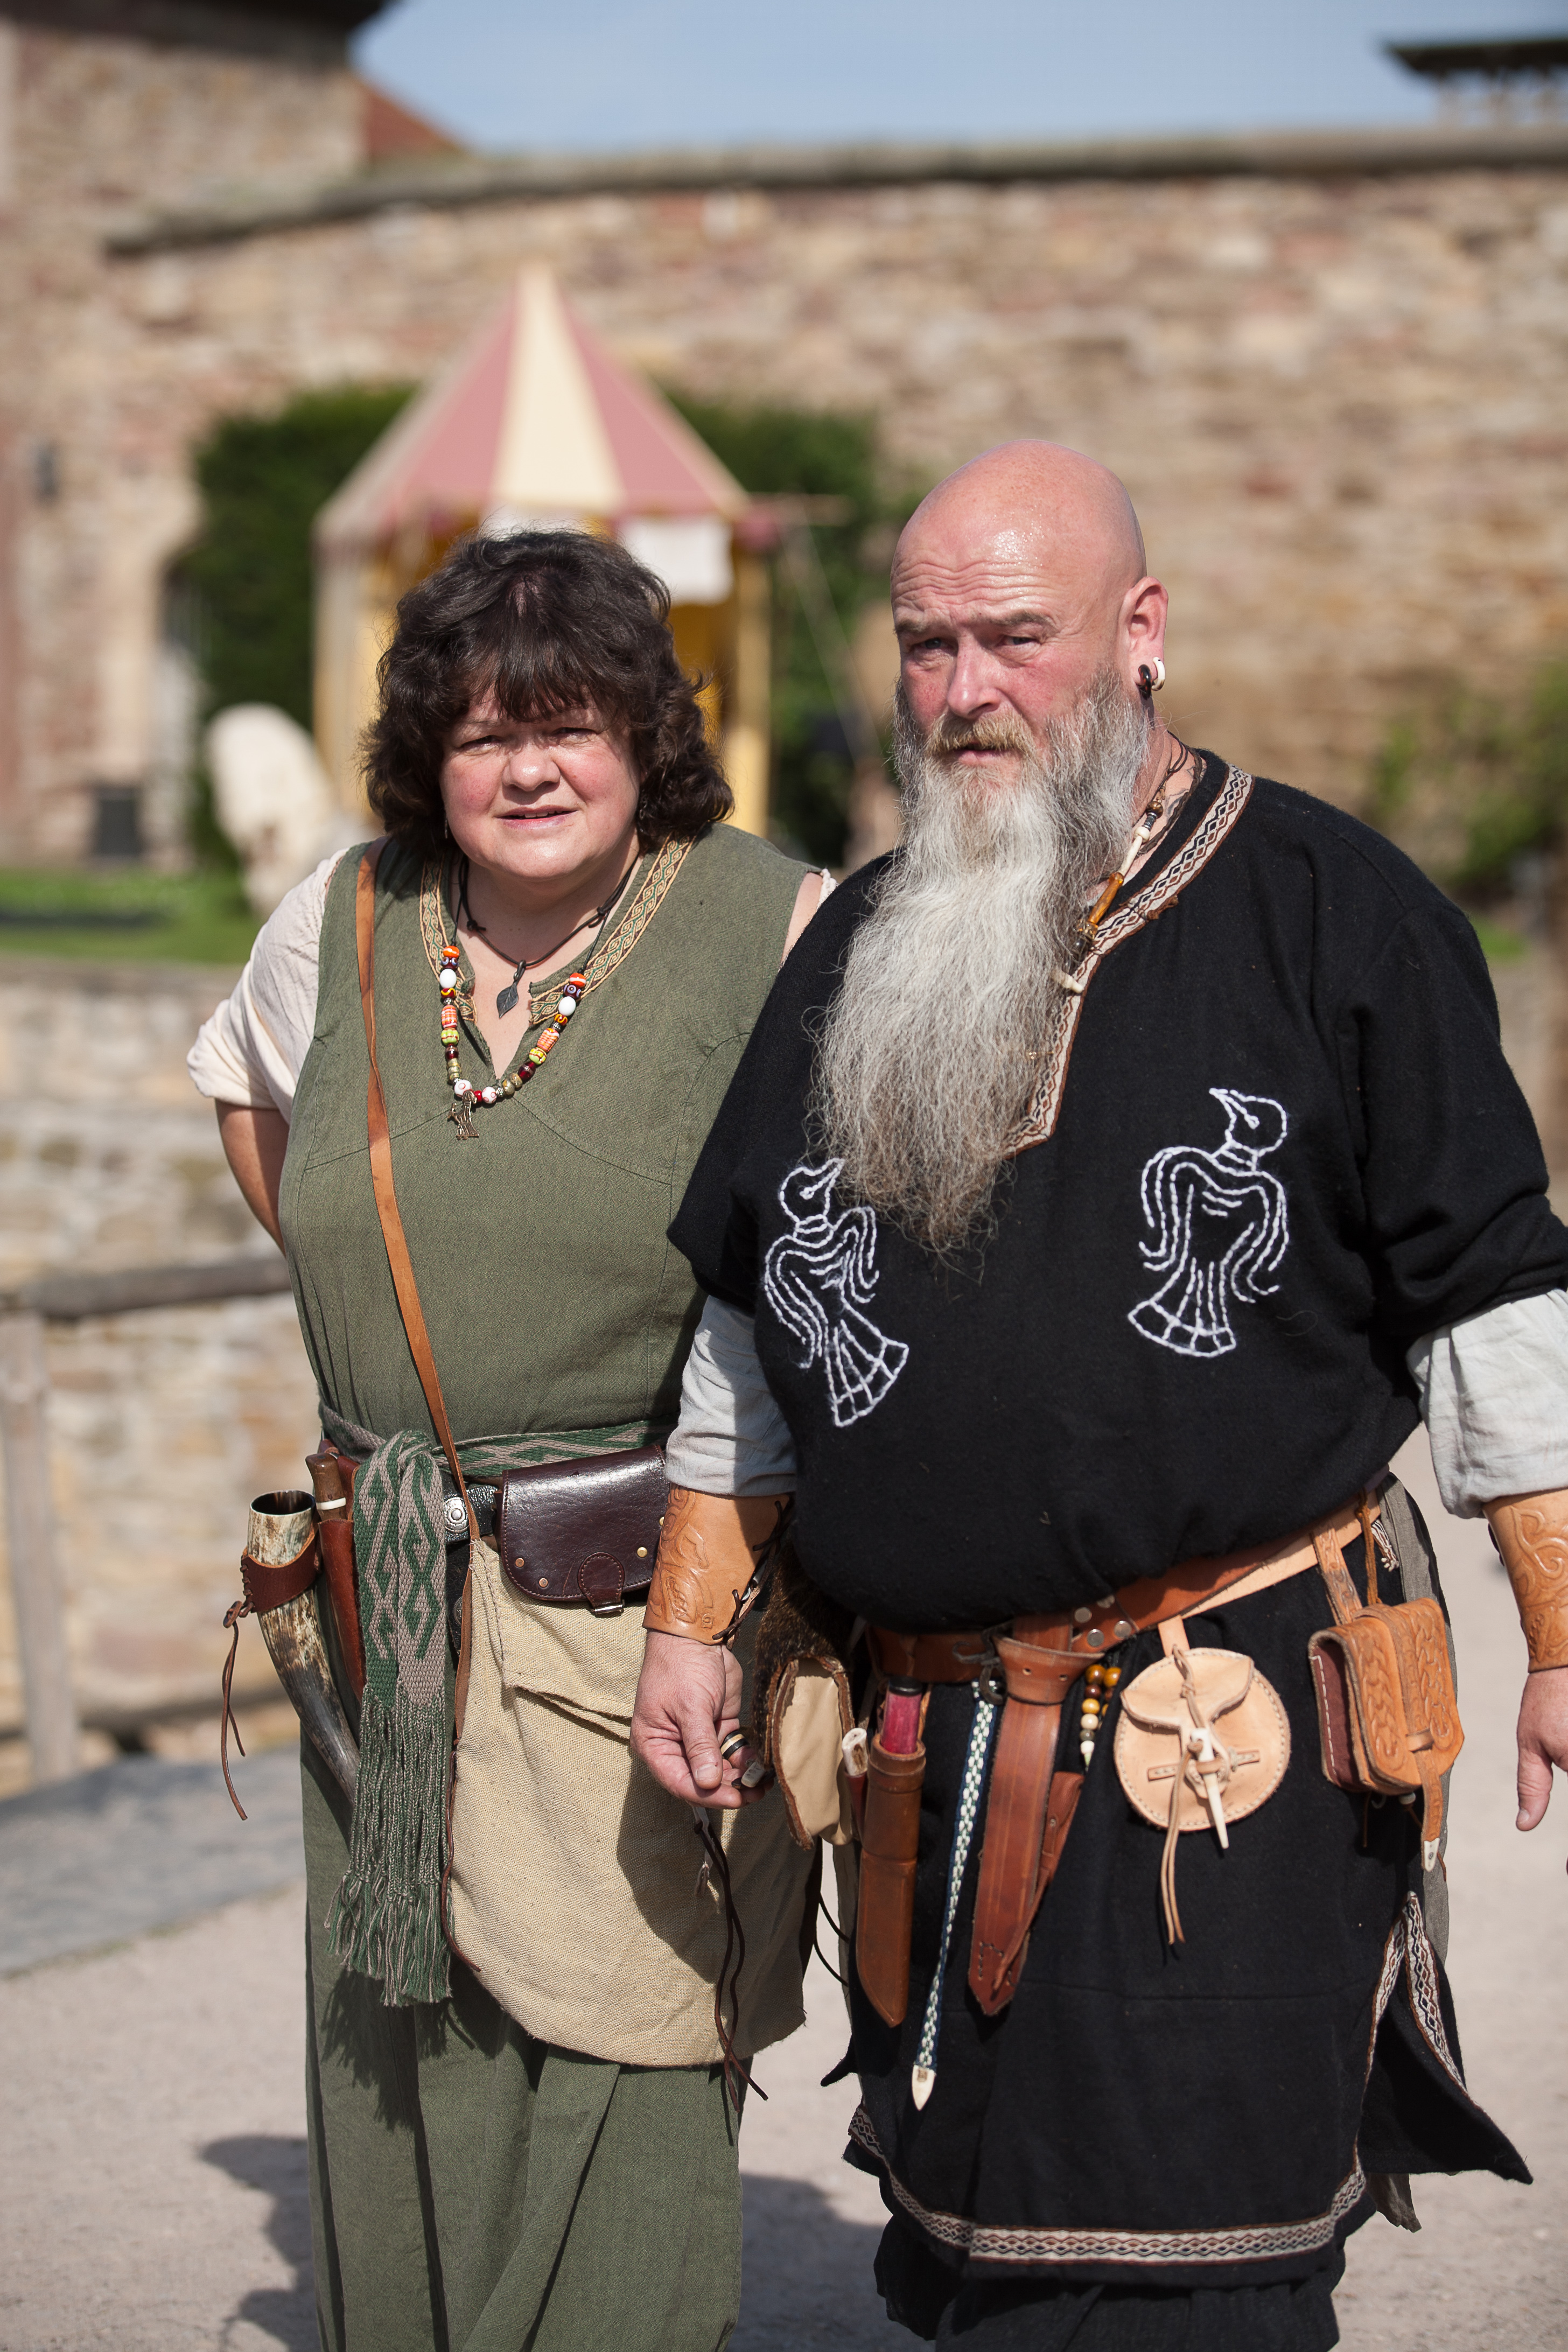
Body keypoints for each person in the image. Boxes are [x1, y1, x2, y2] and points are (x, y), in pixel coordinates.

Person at [632, 442, 1568, 2349]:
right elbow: (750, 1315)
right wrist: (686, 1618)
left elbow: (1490, 1295)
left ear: (1142, 631)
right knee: (981, 2250)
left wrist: (1562, 1627)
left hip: (1220, 1735)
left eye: (1014, 637)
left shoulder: (1335, 914)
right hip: (938, 1743)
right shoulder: (862, 946)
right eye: (926, 645)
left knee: (1195, 2274)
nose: (963, 691)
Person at [189, 527, 829, 2352]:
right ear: (427, 754)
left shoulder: (776, 927)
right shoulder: (337, 920)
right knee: (405, 2032)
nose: (529, 769)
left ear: (646, 734)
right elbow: (260, 1120)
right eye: (482, 734)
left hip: (643, 1598)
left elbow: (841, 1257)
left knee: (625, 2029)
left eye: (570, 725)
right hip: (386, 1588)